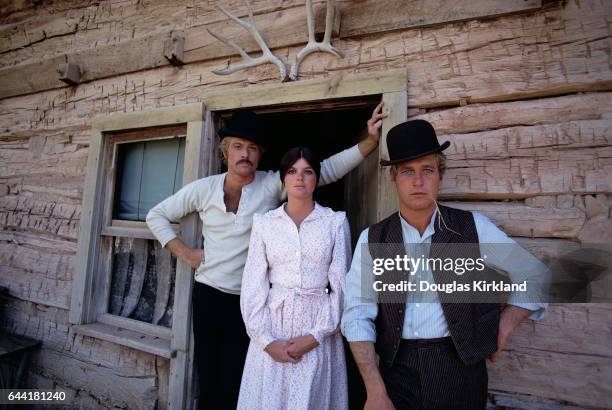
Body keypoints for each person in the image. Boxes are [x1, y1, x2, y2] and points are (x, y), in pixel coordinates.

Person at [146, 105, 385, 409]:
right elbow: (157, 215)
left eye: (252, 148)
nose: (244, 154)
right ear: (225, 151)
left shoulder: (272, 184)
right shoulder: (203, 189)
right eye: (238, 147)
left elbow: (325, 169)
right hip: (209, 295)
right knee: (207, 376)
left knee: (239, 381)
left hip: (253, 305)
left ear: (259, 155)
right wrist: (186, 252)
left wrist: (369, 142)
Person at [341, 119, 549, 410]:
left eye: (427, 170)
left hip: (460, 370)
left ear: (440, 174)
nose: (417, 182)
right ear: (394, 179)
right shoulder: (374, 239)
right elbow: (356, 316)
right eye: (407, 172)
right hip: (395, 373)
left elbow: (536, 276)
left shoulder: (473, 229)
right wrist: (375, 391)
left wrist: (503, 327)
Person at [238, 147, 350, 409]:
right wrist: (266, 342)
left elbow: (342, 288)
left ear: (316, 179)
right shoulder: (265, 223)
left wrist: (315, 337)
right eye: (292, 171)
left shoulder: (334, 222)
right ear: (283, 178)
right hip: (272, 325)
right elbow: (253, 284)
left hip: (319, 326)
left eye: (307, 172)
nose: (300, 178)